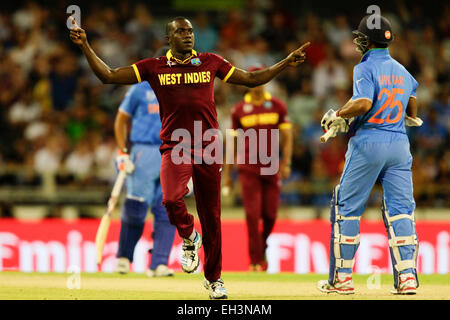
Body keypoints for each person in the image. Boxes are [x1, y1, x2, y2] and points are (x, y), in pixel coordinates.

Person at [69, 16, 309, 299]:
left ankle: (214, 279)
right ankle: (189, 236)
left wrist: (284, 63)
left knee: (212, 217)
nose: (188, 35)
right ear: (168, 38)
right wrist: (85, 46)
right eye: (180, 31)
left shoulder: (210, 61)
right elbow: (108, 75)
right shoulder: (154, 67)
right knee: (170, 198)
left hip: (208, 145)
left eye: (190, 31)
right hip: (175, 145)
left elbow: (251, 78)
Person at [317, 14, 423, 295]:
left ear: (366, 41)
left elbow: (363, 102)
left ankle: (341, 279)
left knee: (346, 207)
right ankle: (407, 278)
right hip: (399, 145)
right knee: (401, 211)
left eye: (360, 38)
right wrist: (404, 116)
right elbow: (412, 106)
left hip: (369, 142)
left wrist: (339, 114)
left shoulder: (364, 67)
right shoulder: (403, 70)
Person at [114, 46, 177, 277]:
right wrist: (122, 152)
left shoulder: (182, 90)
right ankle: (123, 257)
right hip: (144, 151)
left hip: (173, 152)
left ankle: (159, 262)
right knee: (136, 208)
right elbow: (121, 120)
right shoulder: (140, 89)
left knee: (169, 210)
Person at [222, 65, 293, 271]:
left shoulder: (277, 106)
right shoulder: (238, 110)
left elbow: (287, 138)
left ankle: (261, 247)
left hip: (271, 167)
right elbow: (231, 144)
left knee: (270, 215)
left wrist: (286, 162)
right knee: (252, 215)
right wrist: (227, 174)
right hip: (248, 167)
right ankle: (254, 261)